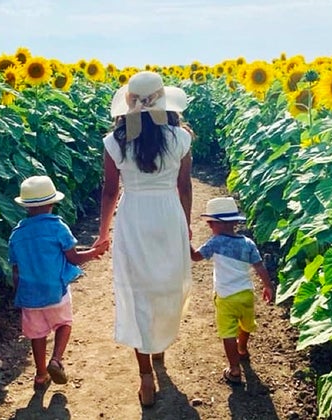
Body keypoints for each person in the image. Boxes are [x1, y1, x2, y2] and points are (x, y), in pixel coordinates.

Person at [93, 71, 193, 407]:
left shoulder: (116, 141)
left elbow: (110, 191)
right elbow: (185, 187)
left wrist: (102, 233)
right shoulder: (180, 138)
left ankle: (146, 376)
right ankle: (159, 344)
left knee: (137, 291)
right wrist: (188, 226)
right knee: (167, 284)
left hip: (133, 216)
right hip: (168, 215)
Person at [8, 175, 108, 390]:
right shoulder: (57, 227)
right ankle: (56, 360)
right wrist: (94, 252)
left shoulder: (16, 235)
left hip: (29, 296)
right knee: (63, 324)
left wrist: (19, 295)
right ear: (52, 203)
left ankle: (41, 374)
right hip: (55, 291)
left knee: (37, 334)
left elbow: (15, 271)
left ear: (26, 206)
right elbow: (73, 257)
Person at [190, 197, 273, 386]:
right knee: (246, 324)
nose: (210, 226)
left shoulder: (215, 242)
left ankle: (234, 369)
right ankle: (242, 348)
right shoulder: (248, 243)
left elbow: (195, 257)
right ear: (235, 222)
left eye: (210, 223)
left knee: (228, 332)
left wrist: (184, 243)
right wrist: (268, 286)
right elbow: (259, 266)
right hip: (246, 294)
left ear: (214, 224)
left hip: (225, 296)